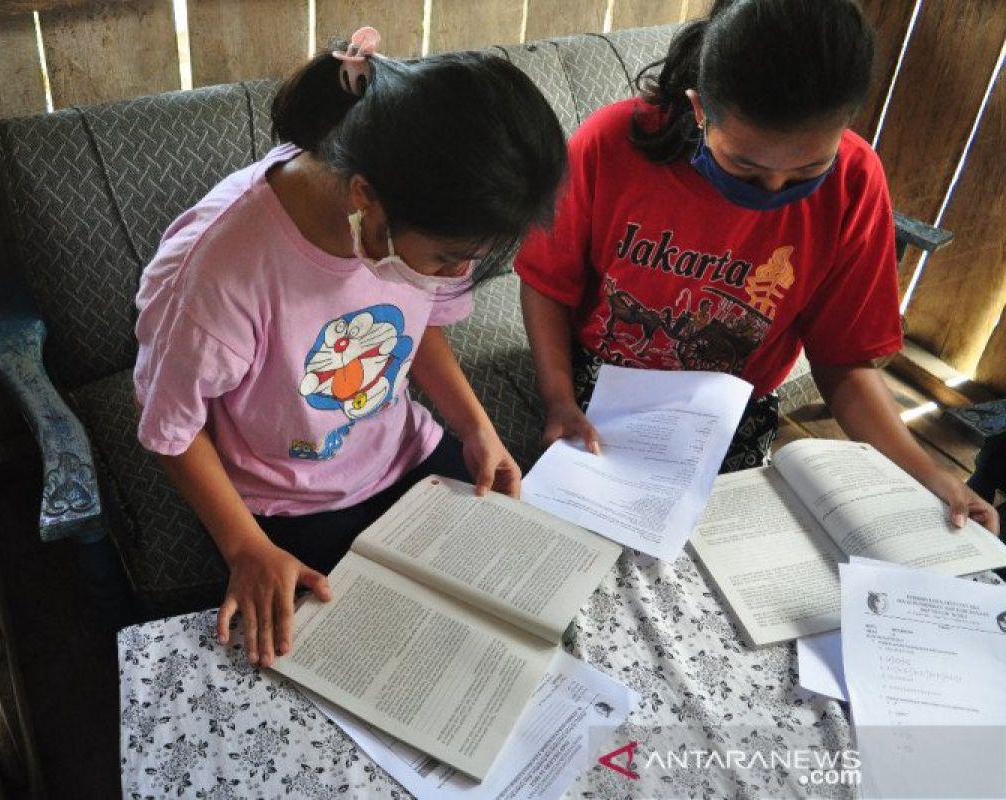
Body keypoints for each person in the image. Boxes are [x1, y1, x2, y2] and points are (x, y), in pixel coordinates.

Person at [132, 28, 568, 667]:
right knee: (375, 662)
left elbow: (420, 326)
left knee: (526, 613)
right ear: (367, 198)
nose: (453, 276)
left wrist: (474, 427)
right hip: (286, 500)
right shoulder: (224, 272)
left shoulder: (407, 212)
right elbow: (169, 429)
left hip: (402, 451)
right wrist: (246, 549)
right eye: (448, 258)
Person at [516, 0, 999, 534]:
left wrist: (930, 474)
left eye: (807, 169)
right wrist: (559, 399)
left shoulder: (855, 182)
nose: (772, 189)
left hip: (731, 413)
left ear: (844, 128)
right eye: (744, 165)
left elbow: (844, 362)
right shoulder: (611, 145)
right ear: (701, 111)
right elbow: (546, 284)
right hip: (599, 391)